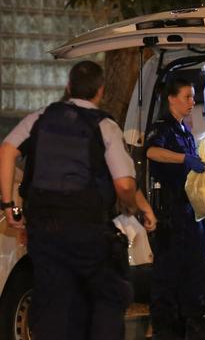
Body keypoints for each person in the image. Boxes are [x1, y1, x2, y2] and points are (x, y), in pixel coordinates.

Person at [0, 60, 156, 340]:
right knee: (106, 298)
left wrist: (9, 206)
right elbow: (123, 184)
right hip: (87, 232)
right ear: (100, 91)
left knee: (53, 305)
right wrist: (139, 208)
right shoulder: (105, 126)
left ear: (68, 87)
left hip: (43, 232)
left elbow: (7, 150)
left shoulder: (40, 117)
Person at [145, 78, 205, 340]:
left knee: (194, 275)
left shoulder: (184, 130)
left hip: (189, 212)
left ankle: (193, 327)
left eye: (193, 97)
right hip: (171, 215)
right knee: (168, 279)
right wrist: (184, 158)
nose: (191, 102)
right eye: (186, 97)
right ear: (171, 98)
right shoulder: (162, 128)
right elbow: (151, 152)